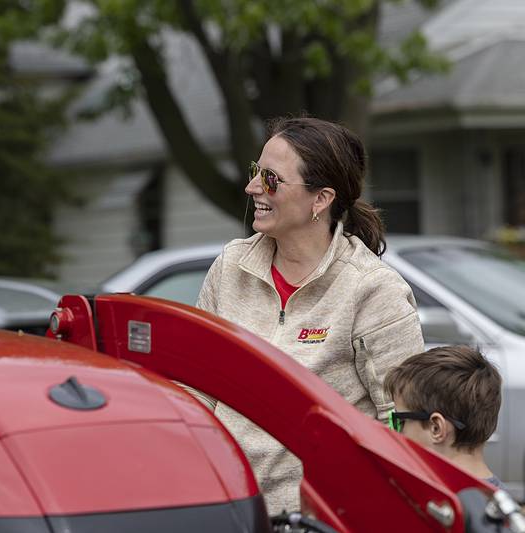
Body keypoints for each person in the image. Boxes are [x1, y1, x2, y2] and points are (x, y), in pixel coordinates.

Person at [196, 116, 425, 514]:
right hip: (225, 506)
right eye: (255, 172)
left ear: (321, 200)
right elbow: (195, 387)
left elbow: (406, 423)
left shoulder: (372, 289)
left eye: (271, 179)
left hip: (321, 517)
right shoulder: (230, 267)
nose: (252, 189)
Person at [384, 345, 504, 488]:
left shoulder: (433, 505)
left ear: (436, 428)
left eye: (399, 421)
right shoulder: (502, 501)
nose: (394, 432)